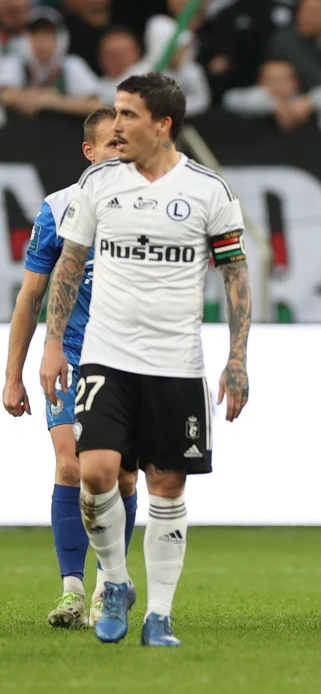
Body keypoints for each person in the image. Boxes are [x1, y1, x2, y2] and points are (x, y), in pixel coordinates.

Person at [38, 73, 252, 647]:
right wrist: (53, 344)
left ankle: (159, 615)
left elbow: (236, 276)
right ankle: (113, 580)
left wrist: (237, 359)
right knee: (94, 472)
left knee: (167, 486)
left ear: (163, 125)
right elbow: (69, 265)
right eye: (115, 112)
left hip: (176, 363)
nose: (117, 125)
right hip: (106, 357)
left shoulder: (209, 190)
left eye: (128, 114)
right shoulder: (98, 182)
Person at [4, 108, 138, 629]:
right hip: (72, 357)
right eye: (111, 145)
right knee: (70, 466)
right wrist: (13, 374)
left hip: (132, 360)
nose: (120, 153)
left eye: (126, 144)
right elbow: (30, 296)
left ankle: (110, 584)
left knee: (123, 475)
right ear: (90, 151)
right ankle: (72, 591)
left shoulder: (148, 208)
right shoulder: (58, 209)